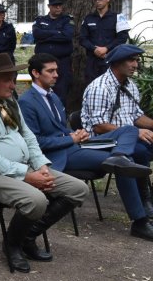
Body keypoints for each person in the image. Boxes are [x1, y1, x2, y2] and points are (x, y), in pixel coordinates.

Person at [0, 53, 88, 272]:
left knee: (78, 189)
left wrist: (41, 165)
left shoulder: (8, 102)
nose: (13, 84)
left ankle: (26, 237)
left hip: (24, 167)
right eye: (7, 79)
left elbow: (28, 136)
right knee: (36, 200)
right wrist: (27, 175)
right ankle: (12, 244)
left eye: (13, 78)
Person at [19, 53, 153, 241]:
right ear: (35, 73)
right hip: (57, 155)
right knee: (124, 165)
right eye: (50, 71)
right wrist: (70, 139)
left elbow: (60, 129)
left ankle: (120, 154)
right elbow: (36, 143)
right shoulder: (26, 102)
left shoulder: (53, 96)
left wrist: (77, 135)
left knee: (130, 130)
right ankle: (140, 222)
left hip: (75, 145)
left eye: (56, 70)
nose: (56, 74)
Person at [81, 44, 153, 219]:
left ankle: (148, 197)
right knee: (141, 150)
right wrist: (135, 133)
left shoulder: (130, 85)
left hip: (127, 137)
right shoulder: (100, 87)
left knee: (145, 146)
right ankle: (144, 200)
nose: (135, 65)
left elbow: (136, 116)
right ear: (116, 63)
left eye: (136, 60)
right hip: (101, 140)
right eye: (131, 60)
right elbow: (99, 126)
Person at [79, 0, 130, 86]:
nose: (97, 1)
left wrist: (106, 48)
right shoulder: (88, 18)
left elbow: (122, 38)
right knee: (91, 86)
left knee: (112, 86)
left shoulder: (118, 17)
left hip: (111, 60)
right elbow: (82, 38)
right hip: (92, 61)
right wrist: (94, 49)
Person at [33, 0, 75, 106]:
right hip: (43, 62)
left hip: (62, 62)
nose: (58, 8)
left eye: (60, 5)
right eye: (55, 5)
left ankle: (60, 116)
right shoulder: (40, 20)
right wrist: (57, 33)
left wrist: (46, 36)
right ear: (49, 6)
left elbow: (67, 36)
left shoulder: (67, 20)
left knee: (61, 91)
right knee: (42, 88)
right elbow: (37, 34)